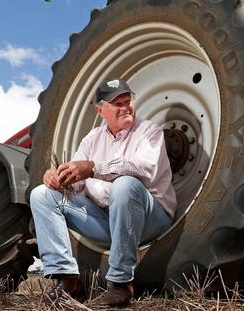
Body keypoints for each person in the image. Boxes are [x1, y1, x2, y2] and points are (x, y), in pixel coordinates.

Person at [30, 77, 177, 306]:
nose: (125, 107)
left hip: (151, 217)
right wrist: (59, 179)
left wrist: (93, 168)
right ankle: (67, 280)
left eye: (127, 101)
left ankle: (120, 284)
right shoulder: (92, 139)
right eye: (117, 103)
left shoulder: (150, 131)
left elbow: (144, 170)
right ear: (101, 110)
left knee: (125, 184)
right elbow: (77, 183)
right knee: (41, 194)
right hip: (108, 220)